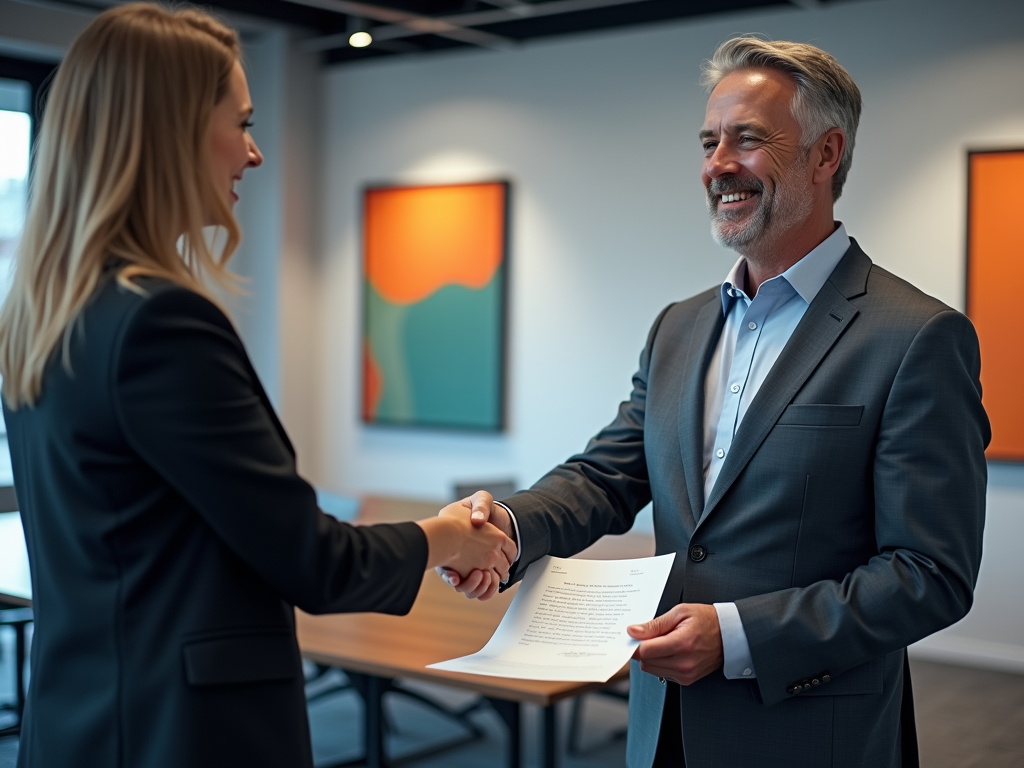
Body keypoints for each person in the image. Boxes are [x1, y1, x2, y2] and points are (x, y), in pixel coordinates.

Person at [443, 37, 989, 768]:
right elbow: (606, 476)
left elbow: (930, 575)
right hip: (661, 725)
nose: (718, 164)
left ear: (827, 155)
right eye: (709, 141)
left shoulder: (918, 337)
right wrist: (507, 526)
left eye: (748, 139)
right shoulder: (680, 325)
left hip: (811, 736)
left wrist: (738, 636)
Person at [0, 5, 515, 767]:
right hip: (180, 734)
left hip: (87, 719)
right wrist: (448, 535)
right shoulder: (161, 323)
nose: (256, 153)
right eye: (240, 123)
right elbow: (313, 560)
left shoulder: (49, 316)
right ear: (170, 133)